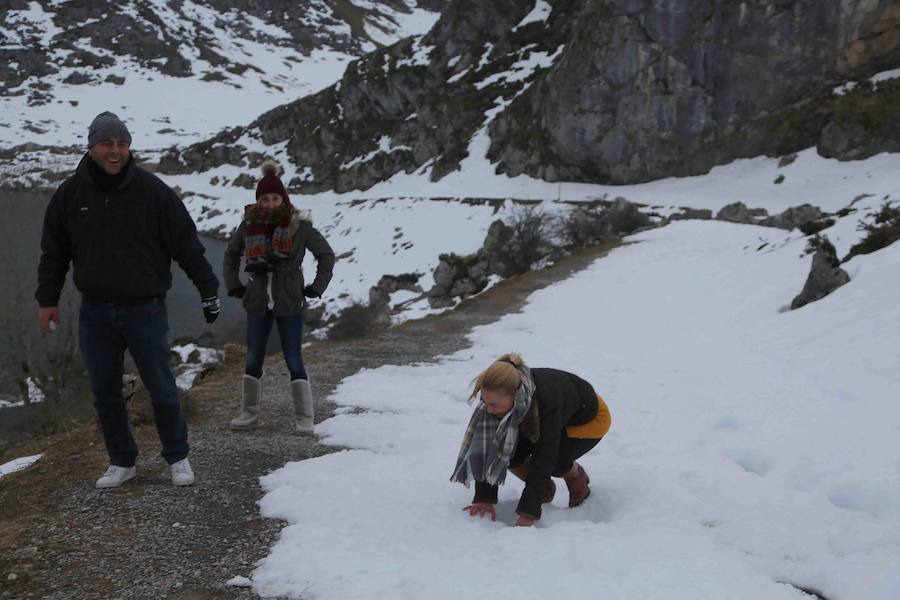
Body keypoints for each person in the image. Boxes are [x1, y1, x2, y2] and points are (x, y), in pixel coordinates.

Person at [35, 111, 220, 489]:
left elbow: (186, 244)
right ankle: (122, 461)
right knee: (105, 391)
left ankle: (178, 457)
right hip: (95, 311)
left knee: (161, 386)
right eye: (107, 143)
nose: (115, 151)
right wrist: (47, 299)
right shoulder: (70, 195)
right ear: (91, 148)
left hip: (144, 308)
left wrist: (207, 289)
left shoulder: (153, 192)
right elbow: (54, 252)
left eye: (121, 143)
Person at [223, 161, 335, 433]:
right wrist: (235, 285)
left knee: (293, 358)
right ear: (258, 201)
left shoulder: (301, 226)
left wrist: (316, 287)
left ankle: (304, 418)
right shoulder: (249, 224)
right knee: (253, 358)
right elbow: (230, 254)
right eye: (264, 198)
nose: (270, 204)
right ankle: (249, 416)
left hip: (290, 299)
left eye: (275, 198)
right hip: (258, 299)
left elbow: (326, 256)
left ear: (283, 199)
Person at [451, 353, 611, 527]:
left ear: (515, 394)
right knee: (507, 451)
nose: (488, 410)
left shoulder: (546, 402)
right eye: (485, 402)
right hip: (547, 417)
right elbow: (490, 447)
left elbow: (544, 458)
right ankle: (544, 488)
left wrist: (528, 514)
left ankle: (575, 475)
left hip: (588, 418)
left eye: (494, 405)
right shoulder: (496, 402)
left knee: (555, 462)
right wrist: (484, 498)